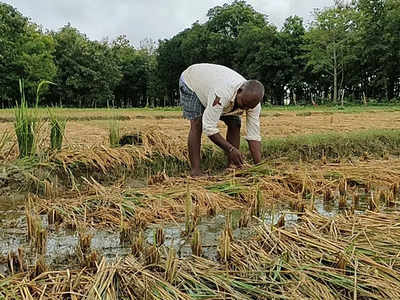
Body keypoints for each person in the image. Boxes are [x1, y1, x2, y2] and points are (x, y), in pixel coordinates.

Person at [179, 63, 264, 177]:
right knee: (197, 123)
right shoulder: (221, 94)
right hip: (192, 81)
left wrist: (259, 168)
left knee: (235, 123)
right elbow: (208, 127)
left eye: (249, 107)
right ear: (239, 91)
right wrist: (230, 149)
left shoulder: (252, 103)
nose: (245, 109)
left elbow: (254, 136)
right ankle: (196, 171)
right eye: (243, 104)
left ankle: (232, 166)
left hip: (216, 86)